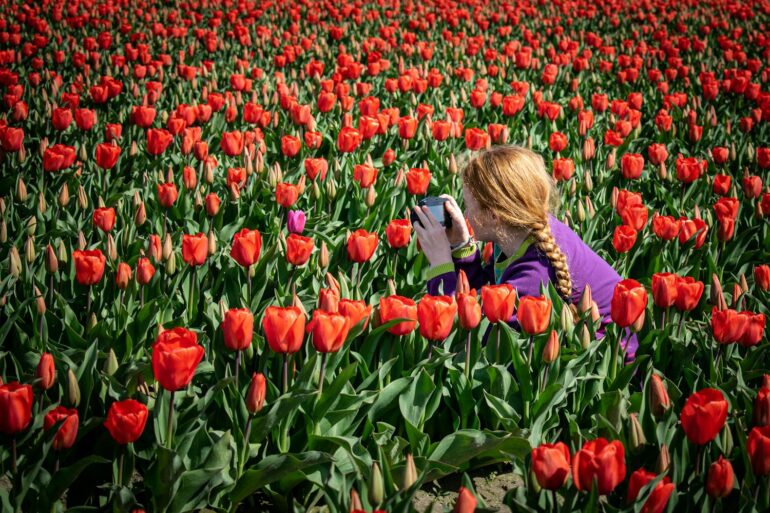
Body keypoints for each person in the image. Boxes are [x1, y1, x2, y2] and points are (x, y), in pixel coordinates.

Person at [411, 144, 637, 360]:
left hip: (604, 362)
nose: (466, 214)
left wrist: (441, 264)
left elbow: (473, 335)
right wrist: (462, 247)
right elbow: (484, 296)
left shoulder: (536, 273)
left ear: (493, 216)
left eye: (469, 206)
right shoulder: (521, 232)